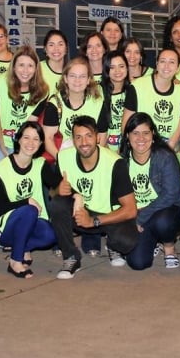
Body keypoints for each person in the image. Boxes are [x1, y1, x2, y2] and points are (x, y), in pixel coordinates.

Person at [47, 116, 138, 279]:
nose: (84, 142)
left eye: (88, 136)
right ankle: (71, 257)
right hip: (80, 215)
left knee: (127, 241)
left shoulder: (115, 163)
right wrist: (57, 190)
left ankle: (113, 246)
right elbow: (52, 193)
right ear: (73, 140)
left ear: (97, 137)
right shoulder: (64, 157)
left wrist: (94, 221)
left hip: (107, 218)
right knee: (57, 204)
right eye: (78, 137)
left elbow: (131, 209)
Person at [0, 121, 59, 279]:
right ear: (18, 139)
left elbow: (59, 184)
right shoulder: (1, 169)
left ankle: (22, 246)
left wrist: (77, 195)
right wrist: (25, 201)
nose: (30, 143)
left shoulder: (40, 165)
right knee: (29, 210)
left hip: (29, 219)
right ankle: (15, 260)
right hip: (3, 227)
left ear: (41, 143)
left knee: (51, 235)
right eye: (26, 137)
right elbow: (0, 206)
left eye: (36, 139)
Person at [119, 113, 180, 270]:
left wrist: (141, 216)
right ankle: (153, 240)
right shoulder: (122, 161)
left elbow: (171, 194)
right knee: (138, 263)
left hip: (165, 210)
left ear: (153, 134)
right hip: (138, 213)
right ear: (127, 136)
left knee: (163, 221)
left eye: (146, 133)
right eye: (135, 133)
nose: (141, 138)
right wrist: (129, 216)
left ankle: (169, 246)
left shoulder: (164, 157)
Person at [0, 45, 50, 165]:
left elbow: (29, 124)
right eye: (21, 65)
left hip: (18, 134)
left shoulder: (43, 91)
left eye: (30, 66)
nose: (25, 71)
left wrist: (21, 148)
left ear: (36, 68)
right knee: (2, 167)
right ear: (14, 67)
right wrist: (3, 148)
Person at [39, 56, 109, 158]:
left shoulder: (98, 103)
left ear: (88, 79)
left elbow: (102, 137)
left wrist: (91, 160)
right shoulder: (54, 103)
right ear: (65, 78)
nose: (77, 80)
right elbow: (47, 138)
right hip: (62, 155)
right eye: (73, 76)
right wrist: (61, 160)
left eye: (82, 76)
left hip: (91, 155)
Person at [122, 47, 180, 147]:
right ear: (157, 64)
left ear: (178, 68)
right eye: (162, 61)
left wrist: (169, 149)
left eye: (172, 62)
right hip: (140, 147)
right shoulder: (137, 86)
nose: (166, 66)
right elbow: (126, 123)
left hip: (167, 149)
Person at [101, 51, 130, 151]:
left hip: (128, 148)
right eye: (112, 67)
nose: (117, 71)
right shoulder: (98, 93)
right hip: (104, 149)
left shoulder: (133, 91)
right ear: (106, 70)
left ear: (127, 68)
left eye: (121, 66)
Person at [40, 29, 69, 97]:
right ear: (45, 49)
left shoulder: (73, 71)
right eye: (51, 45)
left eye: (60, 44)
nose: (56, 48)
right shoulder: (37, 69)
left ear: (66, 49)